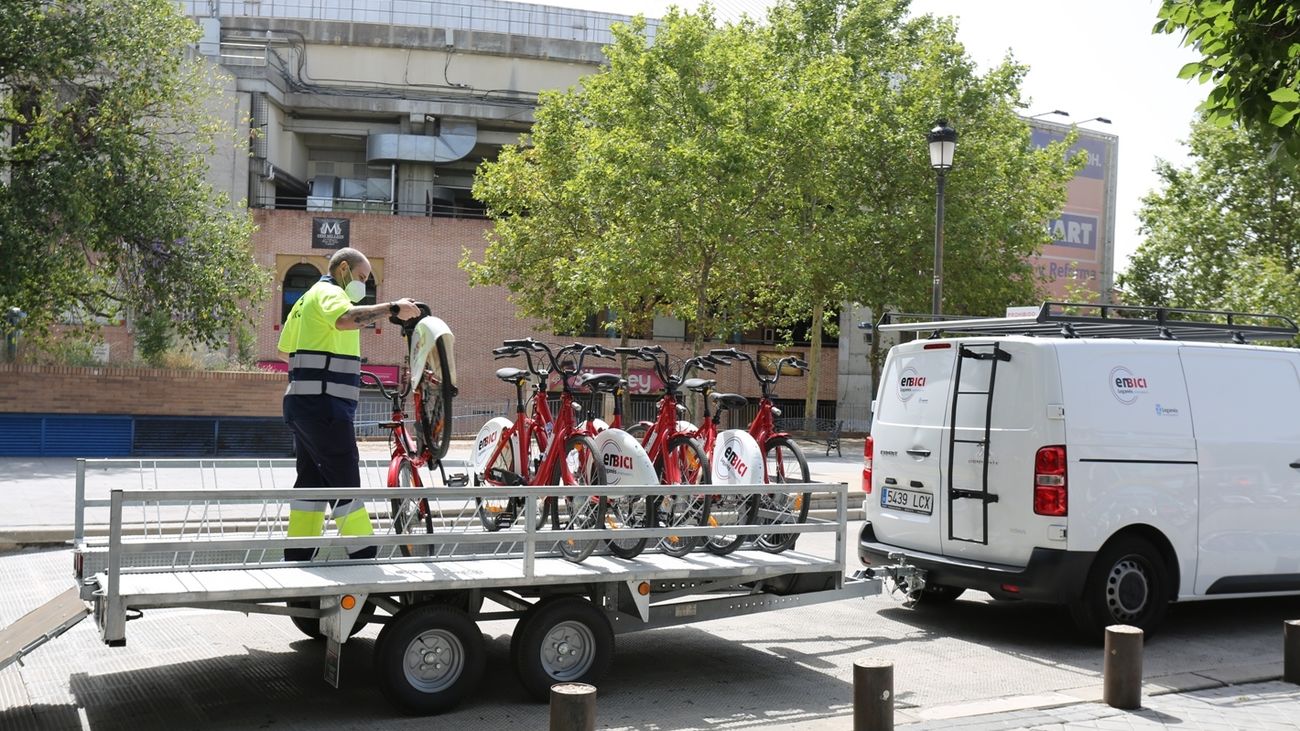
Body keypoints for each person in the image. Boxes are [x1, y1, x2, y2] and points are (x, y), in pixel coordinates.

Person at [278, 247, 420, 560]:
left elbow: (285, 348)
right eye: (361, 277)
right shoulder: (331, 293)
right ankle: (363, 555)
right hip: (325, 406)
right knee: (344, 478)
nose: (363, 285)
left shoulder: (303, 301)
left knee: (312, 481)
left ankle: (299, 556)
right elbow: (345, 319)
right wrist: (393, 308)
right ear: (343, 269)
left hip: (302, 405)